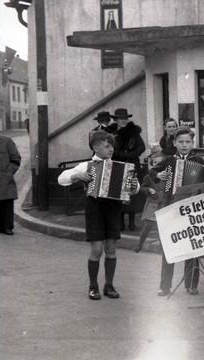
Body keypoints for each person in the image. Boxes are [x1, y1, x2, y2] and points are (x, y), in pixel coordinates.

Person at [58, 131, 140, 300]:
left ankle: (109, 285)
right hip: (94, 209)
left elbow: (135, 187)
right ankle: (93, 286)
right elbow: (62, 178)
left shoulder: (120, 166)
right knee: (97, 249)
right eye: (107, 146)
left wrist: (134, 186)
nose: (111, 149)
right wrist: (75, 176)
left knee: (111, 248)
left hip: (113, 209)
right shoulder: (86, 165)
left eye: (112, 146)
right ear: (96, 147)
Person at [152, 127, 204, 296]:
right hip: (171, 206)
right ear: (174, 143)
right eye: (181, 142)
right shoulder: (168, 161)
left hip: (192, 209)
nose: (184, 145)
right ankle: (165, 286)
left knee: (193, 247)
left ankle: (191, 284)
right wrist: (159, 176)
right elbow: (151, 175)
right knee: (169, 247)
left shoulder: (199, 160)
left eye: (188, 142)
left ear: (193, 143)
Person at [111, 108, 146, 231]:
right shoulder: (111, 132)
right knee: (118, 194)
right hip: (117, 165)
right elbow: (107, 146)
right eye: (121, 119)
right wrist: (118, 154)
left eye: (126, 118)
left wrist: (131, 155)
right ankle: (120, 223)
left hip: (131, 165)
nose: (124, 121)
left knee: (131, 192)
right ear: (116, 119)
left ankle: (131, 223)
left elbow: (142, 147)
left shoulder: (134, 132)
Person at [134, 150, 166, 253]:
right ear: (152, 164)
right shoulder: (149, 176)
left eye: (161, 163)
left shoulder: (167, 176)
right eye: (156, 163)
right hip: (152, 203)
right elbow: (143, 187)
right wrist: (149, 190)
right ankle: (139, 244)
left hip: (163, 203)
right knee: (148, 225)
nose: (158, 165)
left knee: (162, 226)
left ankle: (162, 247)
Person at [0, 119, 21, 235]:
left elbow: (16, 160)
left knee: (6, 203)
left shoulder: (6, 141)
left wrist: (8, 174)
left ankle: (8, 227)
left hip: (5, 179)